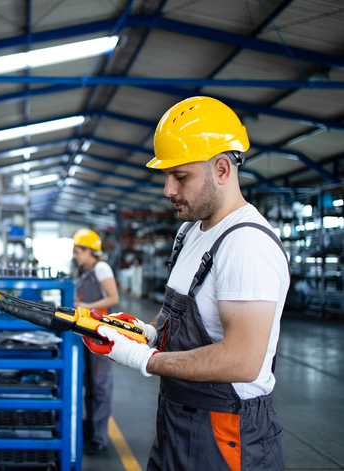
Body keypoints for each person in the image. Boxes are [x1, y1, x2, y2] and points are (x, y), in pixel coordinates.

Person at [87, 96, 290, 470]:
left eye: (180, 176)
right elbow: (177, 312)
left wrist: (145, 358)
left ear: (223, 170)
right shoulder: (192, 232)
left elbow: (243, 361)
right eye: (167, 176)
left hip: (226, 432)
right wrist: (146, 333)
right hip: (177, 419)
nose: (168, 189)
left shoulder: (246, 244)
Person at [72, 229, 120, 456]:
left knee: (100, 385)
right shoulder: (86, 272)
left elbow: (113, 298)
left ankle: (99, 437)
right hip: (88, 333)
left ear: (90, 250)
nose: (76, 256)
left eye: (78, 251)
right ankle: (91, 430)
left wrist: (85, 305)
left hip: (100, 335)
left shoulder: (101, 268)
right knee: (90, 385)